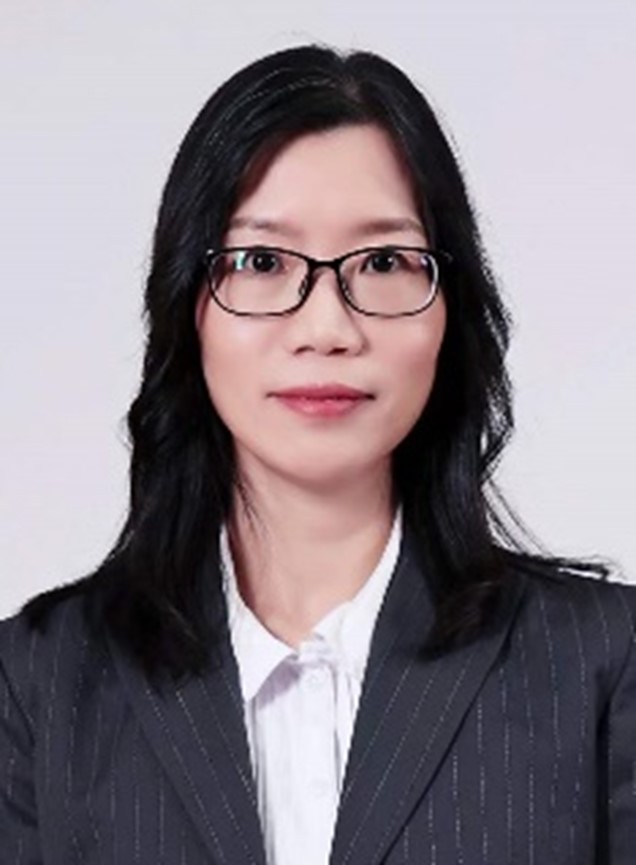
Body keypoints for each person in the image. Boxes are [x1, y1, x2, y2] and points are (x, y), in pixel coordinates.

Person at [1, 43, 634, 865]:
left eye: (384, 262)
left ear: (450, 308)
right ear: (188, 306)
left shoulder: (605, 662)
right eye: (261, 261)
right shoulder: (37, 685)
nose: (328, 328)